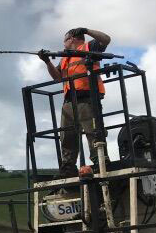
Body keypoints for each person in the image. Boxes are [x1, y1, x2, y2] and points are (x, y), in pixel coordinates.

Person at [39, 27, 111, 177]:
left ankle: (100, 162)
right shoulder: (65, 58)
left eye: (64, 40)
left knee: (93, 133)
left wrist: (86, 30)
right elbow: (58, 78)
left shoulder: (89, 47)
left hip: (87, 98)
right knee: (67, 136)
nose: (63, 44)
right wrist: (47, 62)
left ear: (71, 39)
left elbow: (106, 39)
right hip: (69, 102)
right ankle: (68, 168)